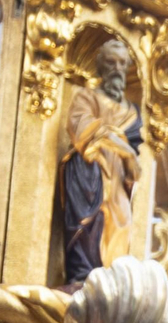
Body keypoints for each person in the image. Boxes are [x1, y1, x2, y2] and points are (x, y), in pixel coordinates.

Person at [58, 36, 143, 284]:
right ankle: (83, 273)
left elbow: (135, 155)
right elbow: (82, 127)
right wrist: (121, 148)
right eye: (111, 63)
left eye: (121, 63)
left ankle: (108, 279)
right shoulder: (87, 97)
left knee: (121, 222)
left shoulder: (132, 112)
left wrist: (128, 159)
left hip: (117, 180)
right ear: (101, 67)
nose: (117, 69)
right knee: (90, 220)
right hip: (91, 170)